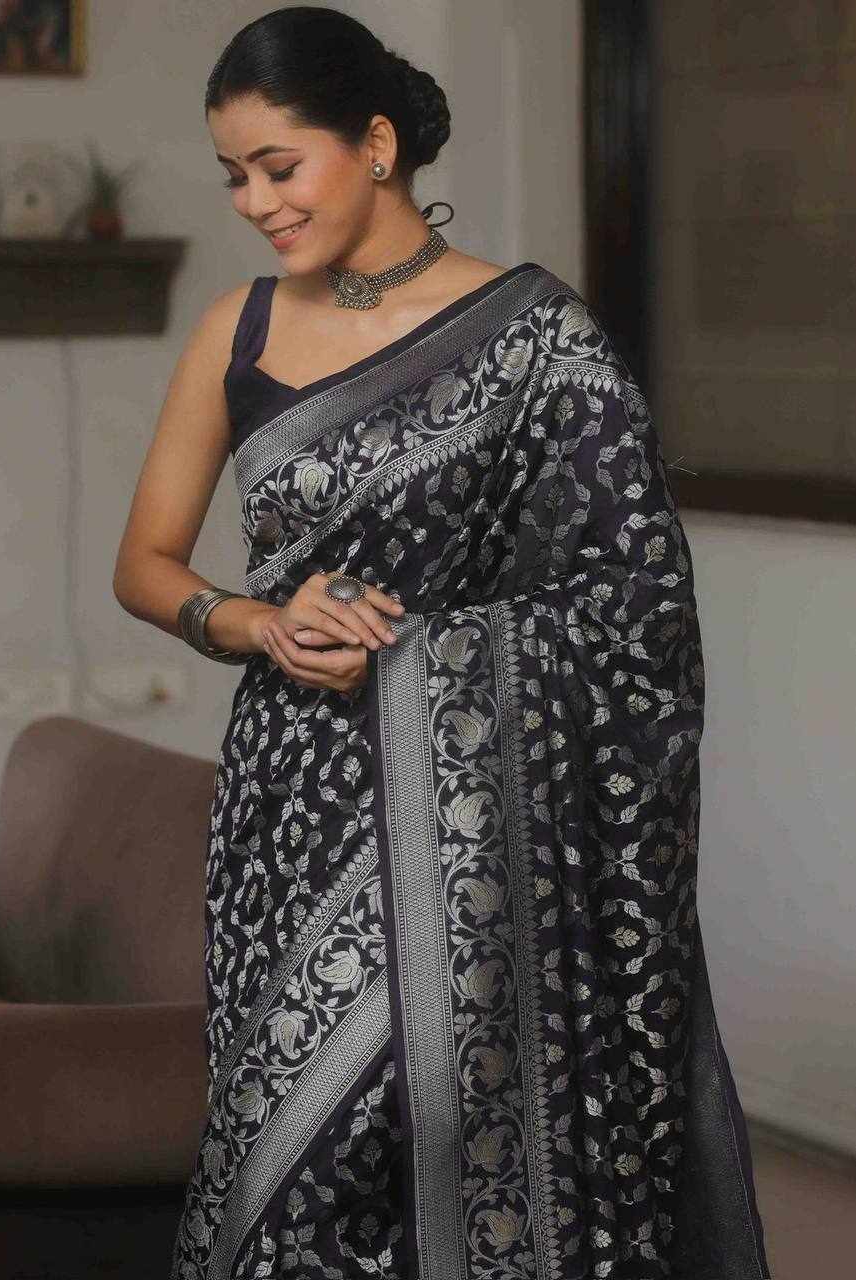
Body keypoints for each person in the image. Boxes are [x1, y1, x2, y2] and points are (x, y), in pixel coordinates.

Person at [112, 8, 773, 1279]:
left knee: (452, 1140)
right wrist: (254, 619)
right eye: (233, 176)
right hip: (291, 809)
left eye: (278, 167)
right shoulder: (239, 328)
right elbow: (145, 562)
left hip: (475, 825)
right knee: (280, 1161)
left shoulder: (537, 338)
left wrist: (426, 651)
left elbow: (635, 602)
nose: (255, 203)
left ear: (373, 144)